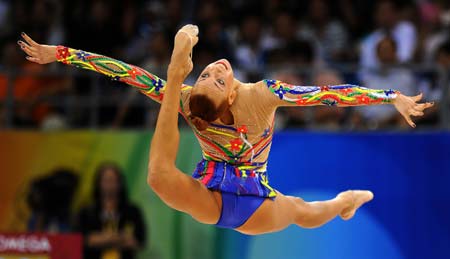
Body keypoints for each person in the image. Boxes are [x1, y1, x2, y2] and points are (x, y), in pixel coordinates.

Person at [18, 25, 433, 235]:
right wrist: (59, 53)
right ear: (223, 98)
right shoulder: (188, 100)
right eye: (211, 78)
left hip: (255, 193)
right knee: (161, 177)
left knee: (303, 210)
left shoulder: (265, 94)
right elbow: (127, 73)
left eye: (211, 76)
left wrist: (389, 96)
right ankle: (341, 202)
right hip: (214, 191)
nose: (216, 70)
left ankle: (343, 202)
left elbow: (326, 94)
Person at [76, 163, 146, 259]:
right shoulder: (87, 212)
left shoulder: (132, 211)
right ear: (98, 183)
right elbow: (83, 240)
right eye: (106, 180)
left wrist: (102, 240)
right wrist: (121, 238)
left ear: (120, 183)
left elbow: (138, 242)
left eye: (113, 180)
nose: (110, 185)